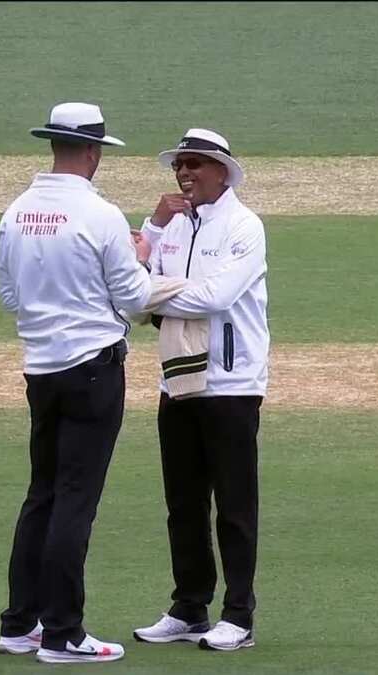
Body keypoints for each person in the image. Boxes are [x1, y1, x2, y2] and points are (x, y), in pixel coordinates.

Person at [0, 102, 153, 665]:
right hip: (92, 366)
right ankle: (63, 635)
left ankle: (20, 625)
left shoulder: (15, 212)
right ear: (92, 152)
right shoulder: (101, 215)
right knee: (74, 502)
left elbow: (10, 297)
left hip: (40, 369)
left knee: (42, 494)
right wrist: (142, 258)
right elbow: (134, 301)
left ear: (53, 145)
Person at [132, 129, 269, 651]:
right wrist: (152, 226)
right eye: (179, 165)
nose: (184, 174)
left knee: (234, 505)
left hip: (232, 383)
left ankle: (238, 615)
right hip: (178, 380)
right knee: (183, 503)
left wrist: (157, 295)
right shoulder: (171, 228)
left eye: (195, 164)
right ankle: (189, 606)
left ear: (222, 172)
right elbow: (132, 291)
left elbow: (217, 297)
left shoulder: (244, 226)